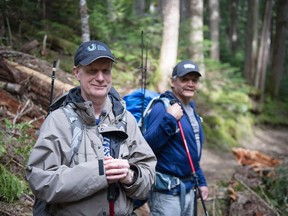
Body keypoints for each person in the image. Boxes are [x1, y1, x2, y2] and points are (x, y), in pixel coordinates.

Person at [26, 40, 156, 216]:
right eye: (92, 71)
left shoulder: (126, 120)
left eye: (106, 71)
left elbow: (148, 176)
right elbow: (42, 182)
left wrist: (131, 176)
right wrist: (100, 172)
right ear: (77, 73)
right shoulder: (59, 121)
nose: (100, 78)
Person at [144, 60, 209, 216]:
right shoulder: (163, 107)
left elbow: (191, 153)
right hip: (167, 194)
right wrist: (170, 119)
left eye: (194, 80)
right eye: (185, 79)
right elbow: (147, 147)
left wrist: (201, 181)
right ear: (173, 82)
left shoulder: (191, 109)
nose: (190, 84)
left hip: (189, 188)